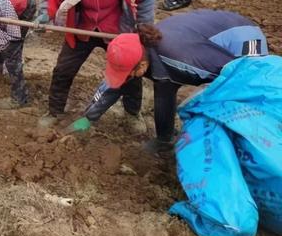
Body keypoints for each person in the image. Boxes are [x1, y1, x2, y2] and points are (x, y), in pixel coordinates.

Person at [98, 10, 268, 153]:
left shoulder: (184, 61)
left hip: (242, 39)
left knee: (237, 96)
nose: (129, 77)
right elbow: (112, 86)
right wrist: (85, 120)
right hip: (200, 36)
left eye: (130, 73)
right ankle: (165, 140)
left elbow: (226, 77)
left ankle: (245, 146)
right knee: (163, 84)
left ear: (142, 65)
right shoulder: (138, 46)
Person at [38, 0, 156, 130]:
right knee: (63, 70)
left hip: (116, 30)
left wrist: (142, 29)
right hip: (81, 27)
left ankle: (132, 114)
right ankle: (54, 111)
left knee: (130, 71)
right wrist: (45, 14)